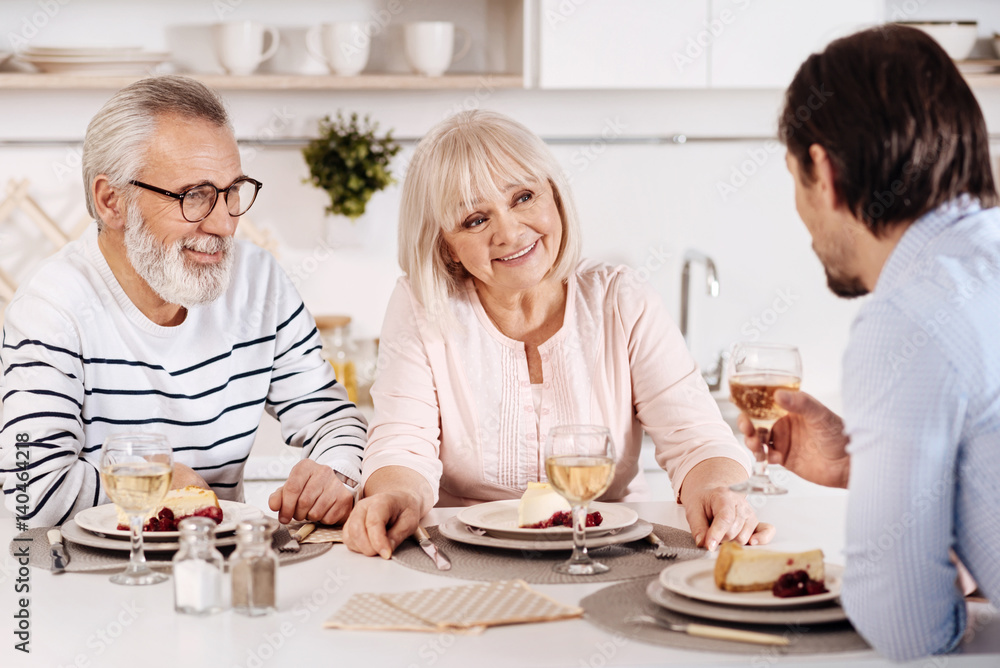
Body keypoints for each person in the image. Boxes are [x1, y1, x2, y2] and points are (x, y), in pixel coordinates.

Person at [344, 110, 775, 558]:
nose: (509, 232)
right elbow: (401, 444)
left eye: (524, 197)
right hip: (467, 555)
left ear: (555, 197)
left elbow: (697, 438)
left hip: (611, 550)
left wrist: (717, 491)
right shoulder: (422, 305)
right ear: (446, 248)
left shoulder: (620, 298)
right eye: (475, 220)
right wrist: (395, 497)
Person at [736, 25, 1000, 660]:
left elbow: (908, 627)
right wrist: (865, 465)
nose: (801, 215)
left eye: (795, 179)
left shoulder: (907, 317)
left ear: (823, 171)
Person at [0, 76, 366, 528]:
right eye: (194, 196)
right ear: (111, 201)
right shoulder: (51, 308)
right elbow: (30, 494)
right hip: (89, 579)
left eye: (232, 192)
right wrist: (157, 483)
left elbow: (333, 418)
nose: (224, 224)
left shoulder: (259, 281)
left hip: (217, 570)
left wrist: (336, 471)